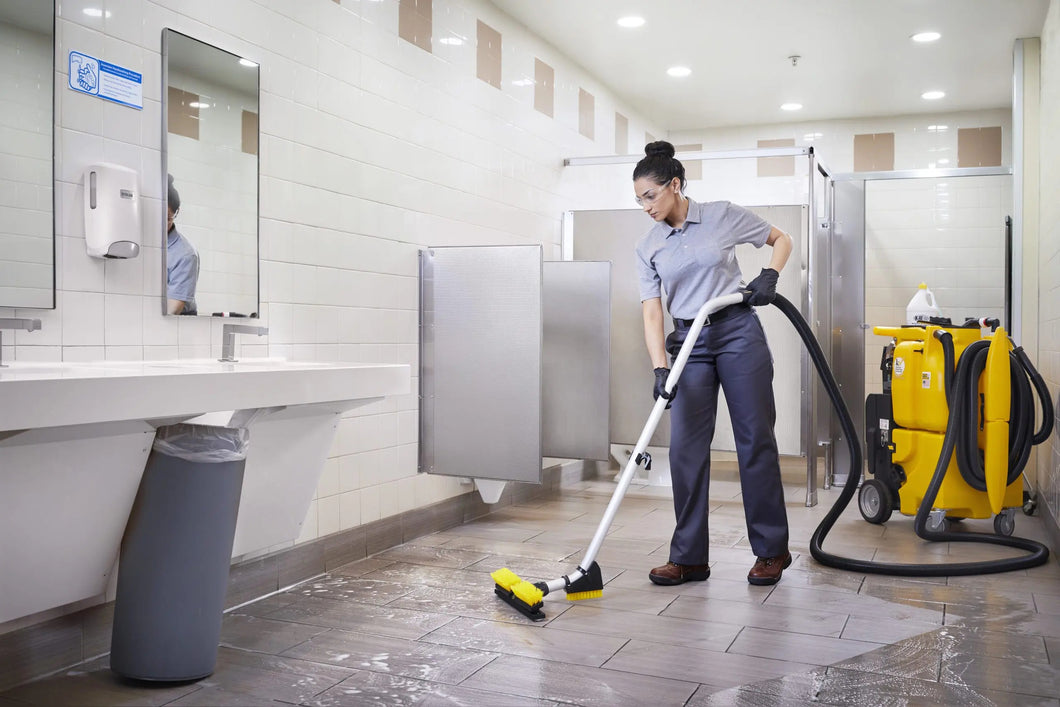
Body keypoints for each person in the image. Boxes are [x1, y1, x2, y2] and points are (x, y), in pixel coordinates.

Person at [633, 141, 794, 586]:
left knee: (754, 441)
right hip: (689, 342)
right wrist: (660, 367)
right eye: (639, 199)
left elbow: (782, 239)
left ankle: (771, 551)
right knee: (685, 450)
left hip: (737, 331)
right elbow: (652, 311)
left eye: (651, 196)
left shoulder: (720, 215)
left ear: (675, 185)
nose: (645, 207)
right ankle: (688, 558)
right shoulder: (649, 246)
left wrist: (770, 275)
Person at [166, 174, 199, 315]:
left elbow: (172, 309)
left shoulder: (186, 254)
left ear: (176, 213)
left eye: (167, 218)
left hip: (178, 322)